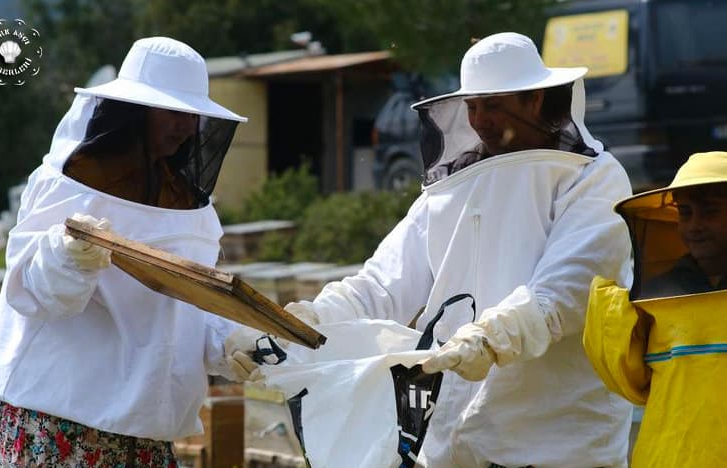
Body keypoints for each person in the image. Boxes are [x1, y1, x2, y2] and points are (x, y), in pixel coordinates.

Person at [226, 32, 634, 467]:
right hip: (456, 443)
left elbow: (568, 291)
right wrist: (298, 326)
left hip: (556, 443)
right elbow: (380, 286)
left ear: (535, 99)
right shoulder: (450, 191)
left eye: (493, 105)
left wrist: (492, 337)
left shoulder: (592, 179)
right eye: (472, 107)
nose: (480, 121)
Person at [0, 36, 247, 467]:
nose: (186, 128)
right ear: (135, 112)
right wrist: (66, 255)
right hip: (60, 419)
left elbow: (186, 313)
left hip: (145, 431)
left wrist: (233, 342)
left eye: (193, 115)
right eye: (173, 112)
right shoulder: (67, 183)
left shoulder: (191, 208)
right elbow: (30, 289)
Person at [583, 151, 727, 467]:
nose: (694, 226)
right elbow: (630, 383)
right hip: (670, 455)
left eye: (711, 211)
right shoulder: (659, 298)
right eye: (685, 213)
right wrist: (612, 314)